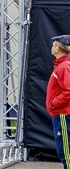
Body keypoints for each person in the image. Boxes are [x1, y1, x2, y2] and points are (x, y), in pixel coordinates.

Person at [47, 34, 70, 168]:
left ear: (57, 49)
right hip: (62, 113)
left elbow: (68, 91)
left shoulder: (64, 66)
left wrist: (54, 103)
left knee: (65, 151)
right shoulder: (62, 65)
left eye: (53, 45)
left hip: (63, 114)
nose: (52, 47)